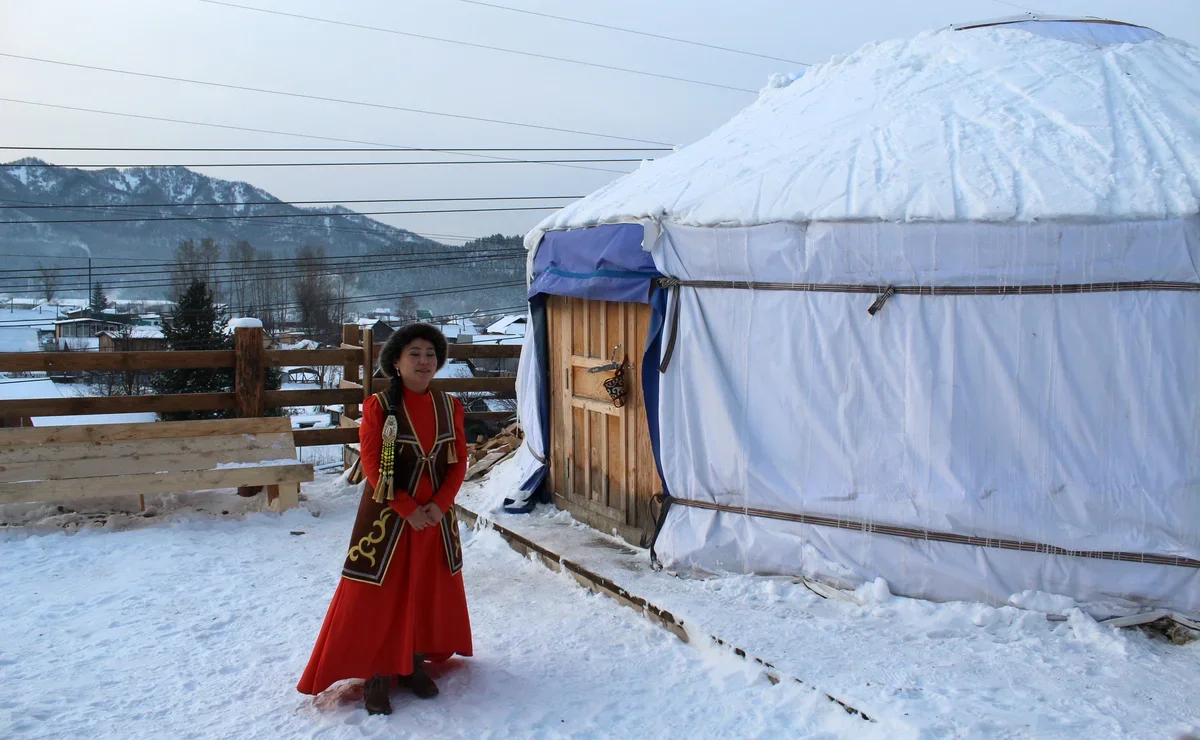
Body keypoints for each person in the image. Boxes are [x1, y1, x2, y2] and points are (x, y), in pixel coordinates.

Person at [297, 323, 473, 715]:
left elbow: (458, 462)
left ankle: (411, 661)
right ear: (396, 361)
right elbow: (375, 466)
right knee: (380, 597)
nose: (424, 361)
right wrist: (409, 510)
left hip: (434, 520)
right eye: (415, 353)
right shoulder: (379, 407)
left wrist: (440, 506)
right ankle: (377, 672)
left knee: (425, 590)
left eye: (430, 354)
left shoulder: (450, 406)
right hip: (388, 521)